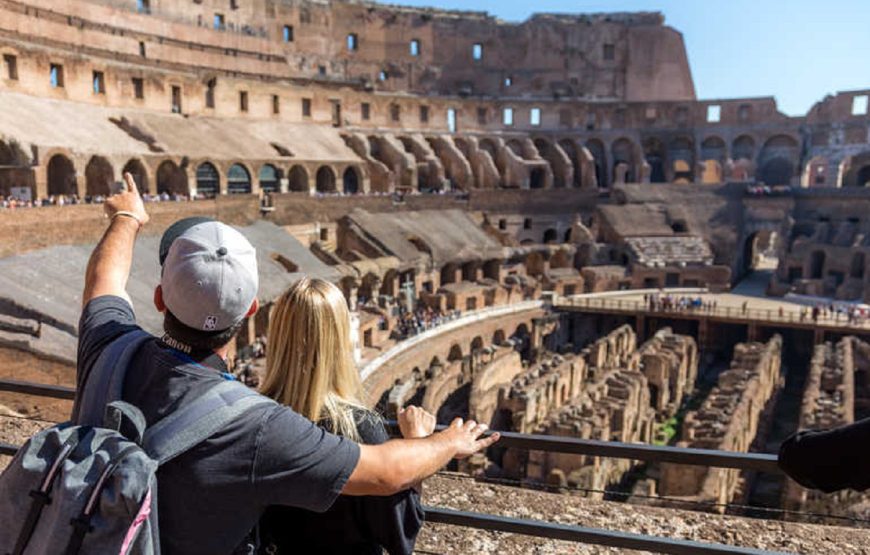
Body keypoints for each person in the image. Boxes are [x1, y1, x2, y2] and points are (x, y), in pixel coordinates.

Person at [78, 173, 500, 555]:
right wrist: (444, 442)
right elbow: (388, 473)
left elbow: (103, 282)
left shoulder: (111, 348)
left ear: (159, 299)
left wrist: (126, 219)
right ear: (250, 312)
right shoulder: (257, 426)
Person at [258, 278, 427, 554]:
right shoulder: (361, 429)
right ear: (339, 341)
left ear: (277, 337)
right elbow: (401, 529)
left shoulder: (254, 417)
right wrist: (418, 445)